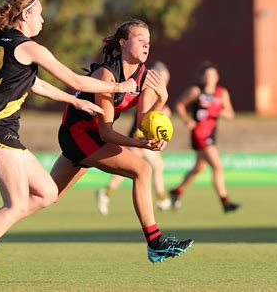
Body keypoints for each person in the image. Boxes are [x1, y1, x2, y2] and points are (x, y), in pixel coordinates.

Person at [0, 0, 141, 288]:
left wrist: (75, 102)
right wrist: (122, 86)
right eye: (38, 14)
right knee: (16, 204)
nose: (42, 20)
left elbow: (34, 84)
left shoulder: (6, 42)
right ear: (24, 16)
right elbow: (75, 80)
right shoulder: (30, 47)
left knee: (48, 192)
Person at [49, 19, 194, 265]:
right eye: (140, 40)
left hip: (92, 137)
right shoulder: (106, 74)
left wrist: (162, 99)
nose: (147, 45)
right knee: (142, 169)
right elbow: (106, 132)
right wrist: (140, 146)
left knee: (47, 195)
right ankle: (155, 243)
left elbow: (144, 123)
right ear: (123, 43)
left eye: (149, 42)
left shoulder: (145, 76)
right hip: (77, 133)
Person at [96, 61, 172, 215]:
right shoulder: (150, 91)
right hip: (138, 136)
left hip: (145, 138)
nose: (164, 82)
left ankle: (162, 198)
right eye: (162, 79)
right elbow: (145, 122)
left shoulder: (154, 93)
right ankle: (106, 192)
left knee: (153, 167)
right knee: (139, 169)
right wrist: (162, 102)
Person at [169, 61, 240, 213]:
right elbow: (179, 104)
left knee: (198, 168)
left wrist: (219, 111)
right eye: (206, 75)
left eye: (212, 75)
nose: (209, 78)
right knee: (217, 166)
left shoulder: (222, 93)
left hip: (212, 133)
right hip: (199, 134)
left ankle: (177, 192)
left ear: (217, 77)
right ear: (201, 77)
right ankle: (225, 201)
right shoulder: (196, 91)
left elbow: (230, 114)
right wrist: (187, 120)